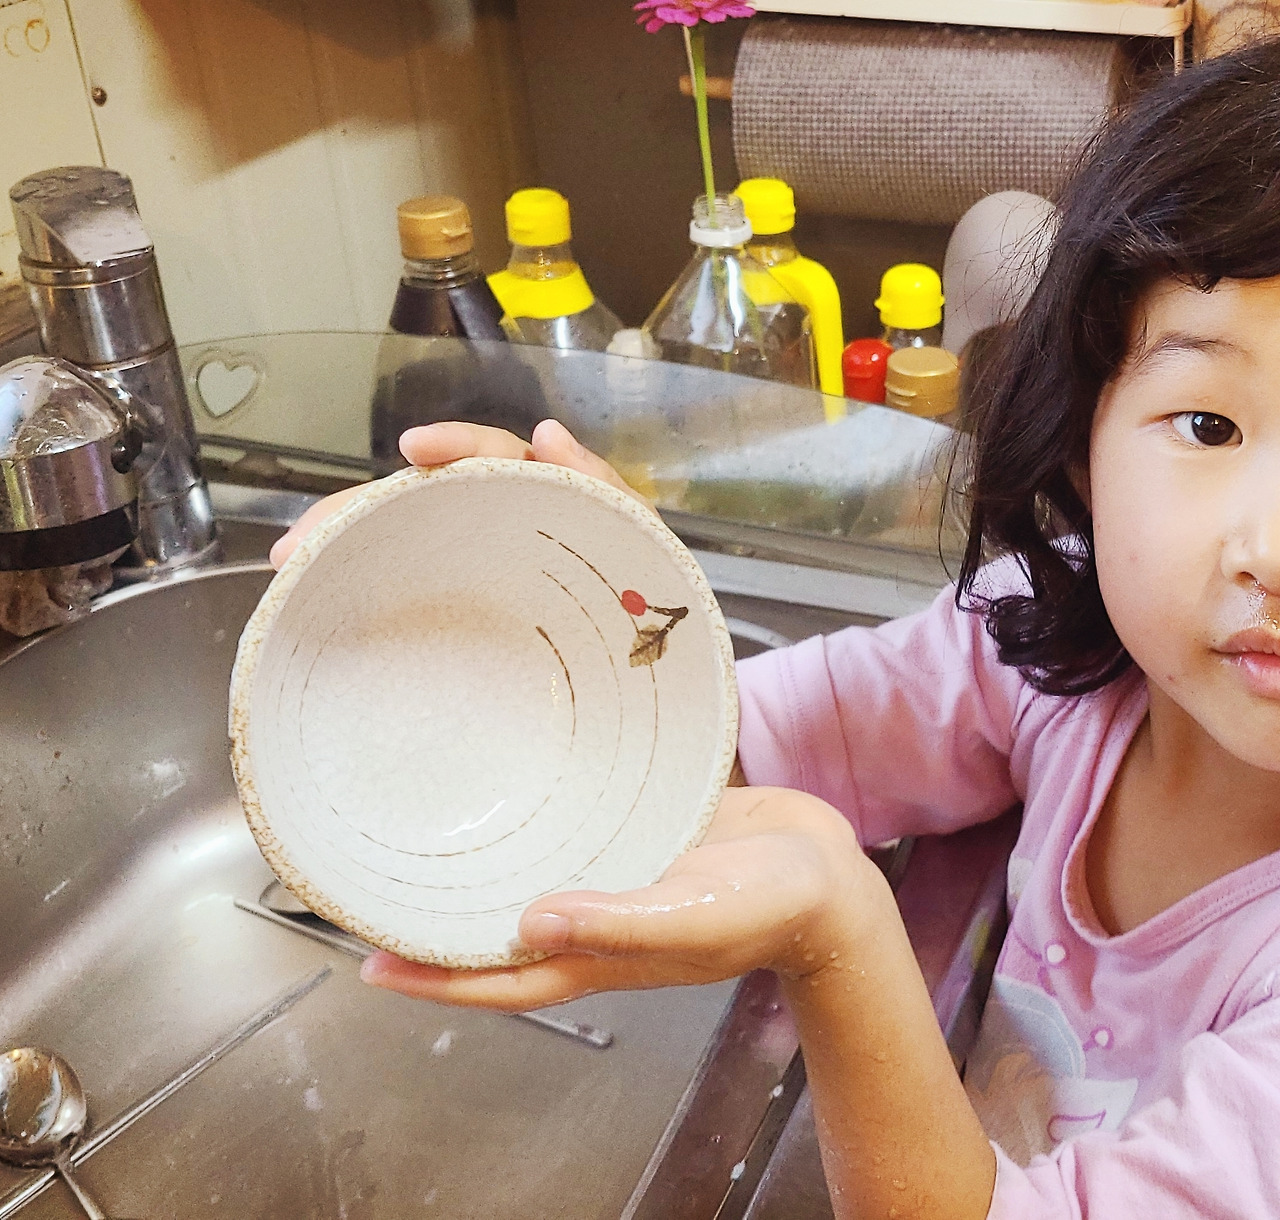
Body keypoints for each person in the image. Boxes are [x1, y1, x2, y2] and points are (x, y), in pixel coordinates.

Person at [271, 42, 1280, 1219]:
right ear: (1079, 444)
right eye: (1207, 425)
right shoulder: (1051, 652)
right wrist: (594, 618)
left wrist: (837, 937)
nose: (1269, 549)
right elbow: (741, 748)